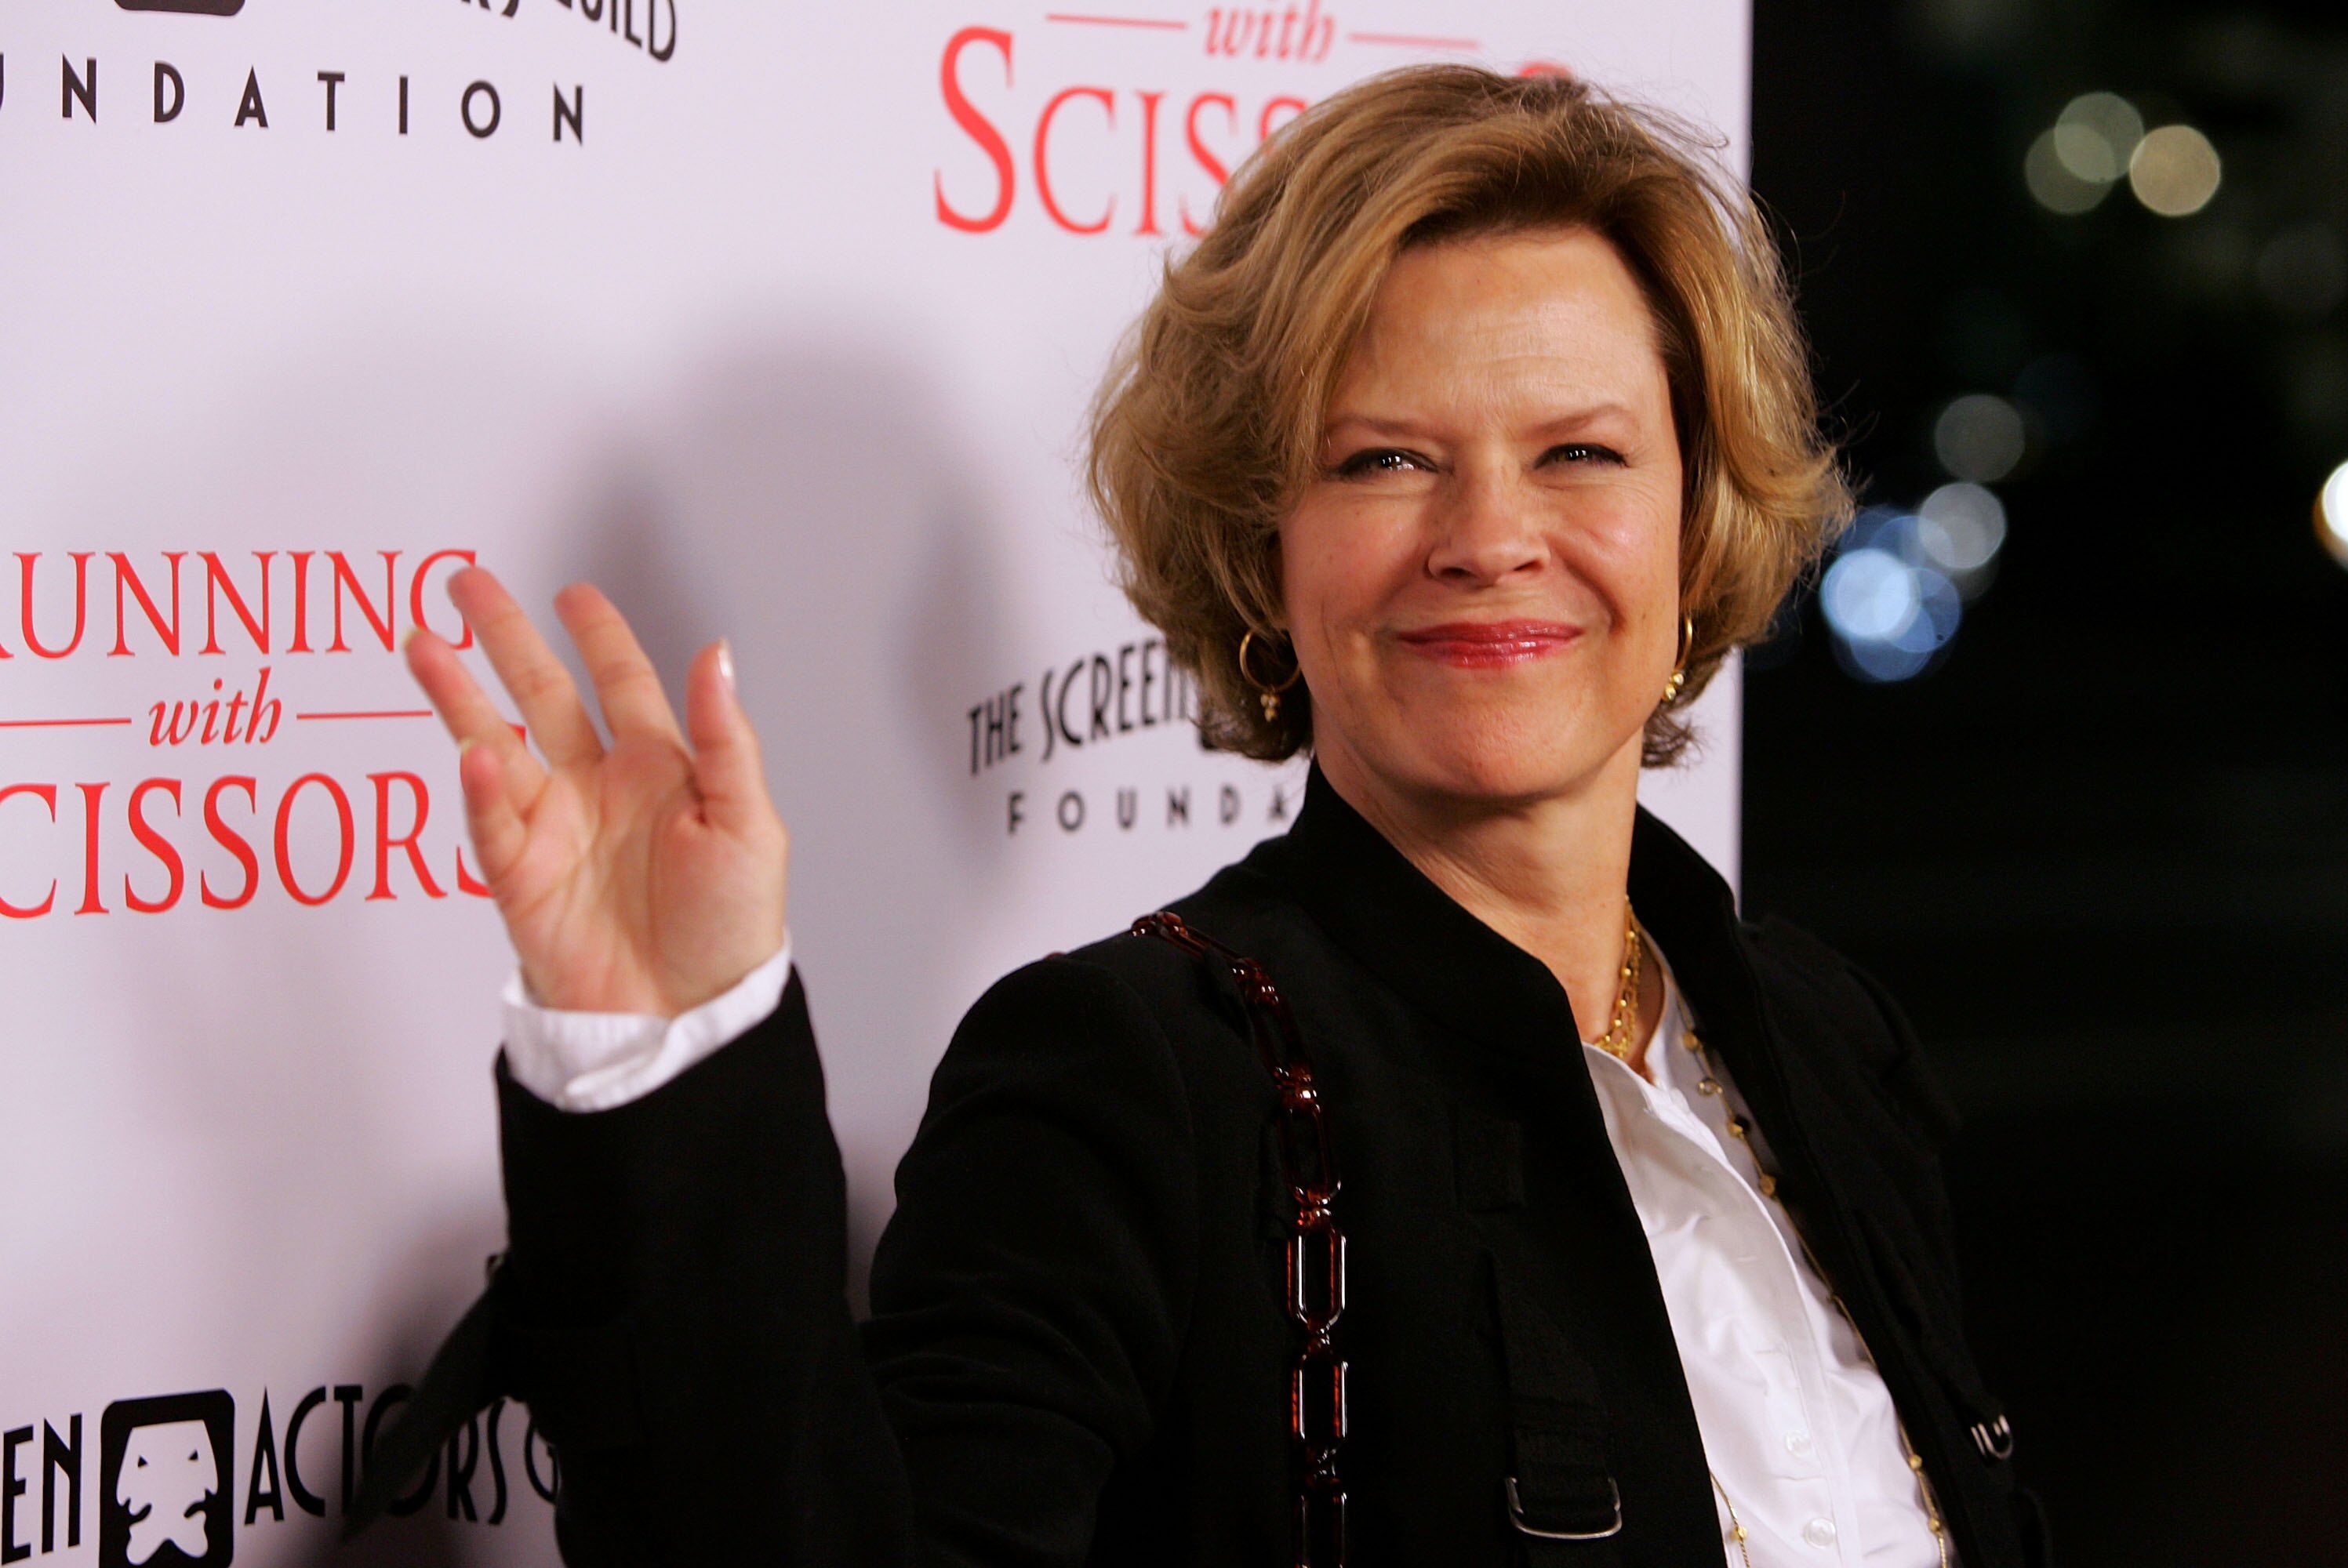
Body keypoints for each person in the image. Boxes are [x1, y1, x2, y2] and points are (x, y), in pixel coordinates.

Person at [373, 64, 2048, 1568]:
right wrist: (666, 1062)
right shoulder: (1134, 1080)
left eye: (1583, 454)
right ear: (1265, 552)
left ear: (1699, 522)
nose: (1489, 535)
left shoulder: (1827, 1043)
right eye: (1387, 460)